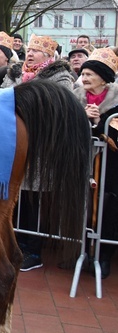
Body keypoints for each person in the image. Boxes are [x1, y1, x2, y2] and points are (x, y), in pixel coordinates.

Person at [1, 35, 73, 271]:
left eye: (36, 51)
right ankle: (15, 243)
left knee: (34, 200)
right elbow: (2, 97)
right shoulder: (15, 73)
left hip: (40, 148)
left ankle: (33, 249)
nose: (30, 54)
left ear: (49, 56)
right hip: (13, 142)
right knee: (15, 198)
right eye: (29, 50)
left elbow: (56, 109)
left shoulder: (61, 78)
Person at [73, 47, 118, 278]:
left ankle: (103, 256)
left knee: (107, 210)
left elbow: (115, 136)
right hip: (80, 163)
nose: (84, 78)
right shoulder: (75, 97)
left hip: (109, 169)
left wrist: (100, 121)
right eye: (83, 74)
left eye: (90, 74)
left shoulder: (116, 102)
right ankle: (78, 252)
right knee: (79, 206)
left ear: (103, 77)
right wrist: (82, 116)